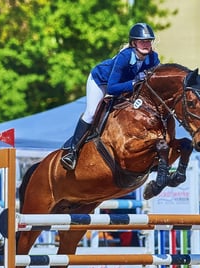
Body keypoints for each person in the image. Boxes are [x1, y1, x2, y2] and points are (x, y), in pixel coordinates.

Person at [60, 22, 160, 171]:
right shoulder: (125, 57)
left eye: (148, 41)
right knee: (92, 113)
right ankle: (72, 152)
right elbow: (112, 88)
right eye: (142, 41)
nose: (146, 44)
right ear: (134, 43)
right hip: (101, 82)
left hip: (125, 85)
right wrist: (134, 83)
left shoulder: (153, 58)